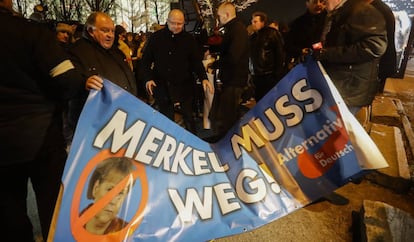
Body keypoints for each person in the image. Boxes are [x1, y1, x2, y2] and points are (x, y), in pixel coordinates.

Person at [0, 0, 103, 241]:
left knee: (8, 211)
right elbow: (66, 80)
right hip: (41, 137)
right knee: (53, 207)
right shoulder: (31, 32)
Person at [67, 12, 138, 146]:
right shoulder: (76, 52)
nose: (110, 35)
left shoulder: (116, 52)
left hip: (122, 122)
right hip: (95, 128)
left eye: (112, 31)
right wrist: (83, 83)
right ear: (90, 31)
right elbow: (66, 83)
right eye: (105, 30)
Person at [141, 9, 213, 134]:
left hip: (184, 84)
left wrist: (204, 78)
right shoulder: (156, 38)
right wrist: (148, 78)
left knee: (188, 117)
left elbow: (196, 61)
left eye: (179, 24)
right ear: (167, 21)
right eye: (173, 23)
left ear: (184, 23)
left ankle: (192, 141)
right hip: (162, 83)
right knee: (165, 118)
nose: (176, 26)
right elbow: (145, 61)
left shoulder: (189, 39)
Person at [315, 0, 387, 115]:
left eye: (324, 0)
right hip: (342, 87)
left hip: (349, 90)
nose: (321, 4)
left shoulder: (363, 11)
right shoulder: (340, 12)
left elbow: (375, 47)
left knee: (336, 130)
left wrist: (327, 53)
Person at [207, 1, 249, 142]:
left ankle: (227, 142)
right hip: (230, 79)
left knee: (228, 115)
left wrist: (215, 64)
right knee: (223, 113)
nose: (218, 19)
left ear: (226, 14)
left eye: (219, 16)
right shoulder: (233, 29)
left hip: (234, 80)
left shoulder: (237, 30)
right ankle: (223, 139)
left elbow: (233, 56)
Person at [82, 157, 134, 235]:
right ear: (96, 188)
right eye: (110, 190)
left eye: (120, 193)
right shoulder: (68, 222)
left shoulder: (127, 233)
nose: (113, 201)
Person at [249, 11, 286, 101]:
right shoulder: (252, 38)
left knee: (270, 101)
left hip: (269, 75)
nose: (252, 24)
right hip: (256, 76)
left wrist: (277, 74)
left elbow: (280, 53)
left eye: (255, 22)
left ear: (263, 22)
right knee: (260, 100)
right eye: (252, 22)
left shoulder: (272, 34)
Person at [284, 0, 327, 70]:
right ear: (307, 3)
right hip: (306, 65)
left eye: (322, 2)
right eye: (315, 2)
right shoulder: (298, 23)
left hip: (327, 64)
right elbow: (288, 45)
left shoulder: (332, 21)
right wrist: (300, 50)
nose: (319, 4)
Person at [366, 0, 397, 93]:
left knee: (371, 96)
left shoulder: (376, 10)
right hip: (380, 63)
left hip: (378, 64)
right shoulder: (379, 8)